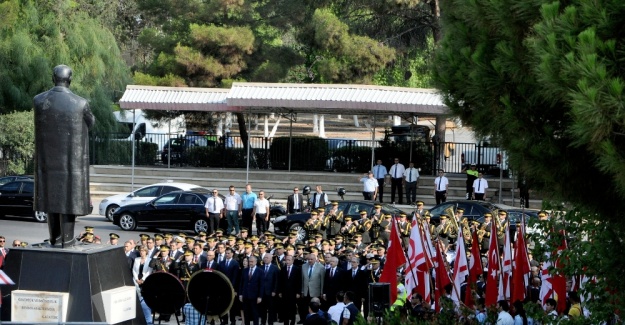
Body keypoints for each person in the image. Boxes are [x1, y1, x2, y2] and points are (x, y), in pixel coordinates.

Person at [34, 65, 95, 247]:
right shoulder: (80, 103)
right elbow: (91, 123)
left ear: (53, 78)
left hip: (46, 164)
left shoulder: (38, 101)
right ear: (70, 80)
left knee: (52, 199)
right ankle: (67, 239)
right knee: (68, 200)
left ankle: (55, 238)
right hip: (72, 162)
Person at [240, 256, 264, 325]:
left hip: (255, 297)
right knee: (246, 314)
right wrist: (240, 294)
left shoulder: (260, 271)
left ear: (256, 262)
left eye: (252, 262)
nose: (250, 263)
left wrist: (260, 296)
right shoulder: (245, 270)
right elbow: (241, 283)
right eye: (249, 261)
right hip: (245, 296)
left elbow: (261, 285)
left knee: (255, 314)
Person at [301, 253, 325, 322]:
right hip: (306, 291)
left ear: (315, 259)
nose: (310, 261)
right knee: (305, 307)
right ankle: (305, 320)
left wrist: (321, 292)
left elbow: (322, 281)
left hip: (315, 292)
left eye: (311, 259)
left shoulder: (321, 267)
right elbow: (302, 279)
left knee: (314, 307)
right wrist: (302, 291)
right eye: (308, 259)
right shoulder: (304, 266)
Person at [260, 253, 279, 325]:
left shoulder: (275, 268)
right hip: (262, 292)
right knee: (262, 309)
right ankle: (263, 322)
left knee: (271, 309)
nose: (265, 259)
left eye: (267, 258)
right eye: (264, 257)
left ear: (271, 259)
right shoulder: (260, 267)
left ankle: (270, 322)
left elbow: (276, 281)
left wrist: (274, 291)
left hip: (270, 292)